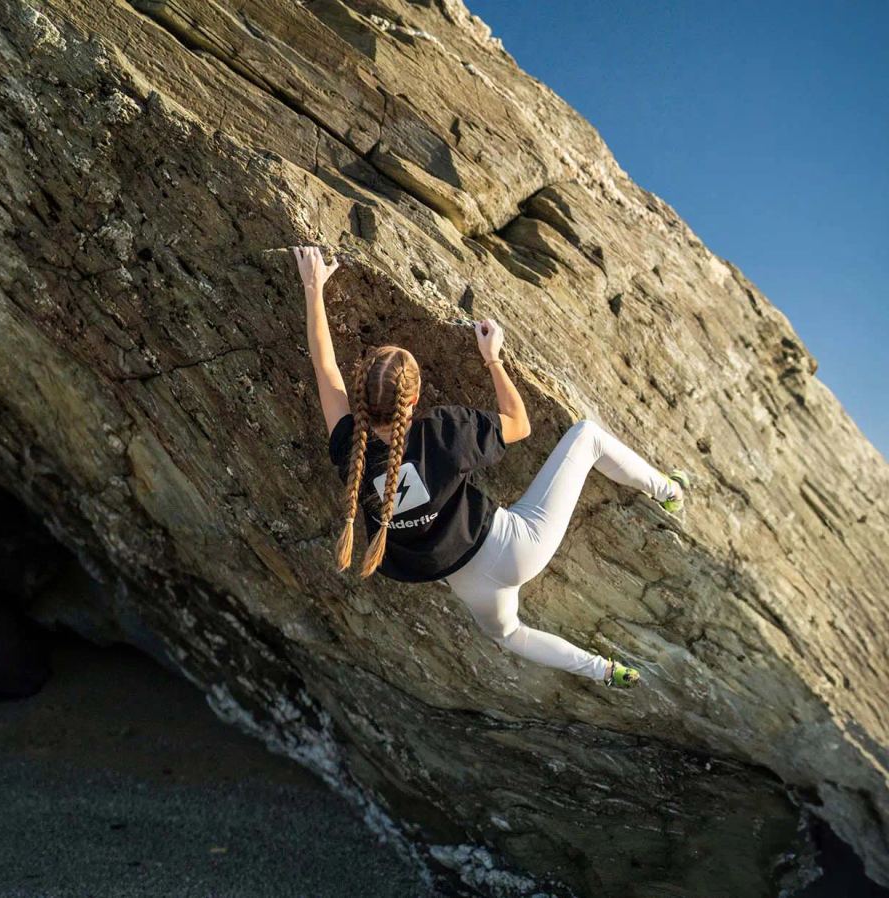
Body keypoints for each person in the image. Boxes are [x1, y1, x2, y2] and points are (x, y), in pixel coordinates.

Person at [293, 246, 688, 688]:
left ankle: (606, 671)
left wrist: (314, 289)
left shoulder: (353, 450)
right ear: (417, 400)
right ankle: (669, 492)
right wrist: (493, 358)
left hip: (469, 585)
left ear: (362, 403)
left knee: (511, 634)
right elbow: (519, 424)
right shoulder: (444, 432)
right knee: (587, 436)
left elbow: (324, 367)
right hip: (515, 546)